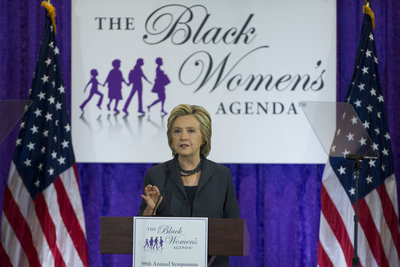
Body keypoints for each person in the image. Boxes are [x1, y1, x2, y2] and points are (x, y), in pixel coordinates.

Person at [138, 104, 240, 267]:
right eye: (177, 131)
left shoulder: (222, 175)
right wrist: (151, 210)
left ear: (204, 137)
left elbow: (233, 229)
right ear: (171, 137)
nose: (183, 137)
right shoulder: (157, 175)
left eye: (191, 131)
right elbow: (142, 233)